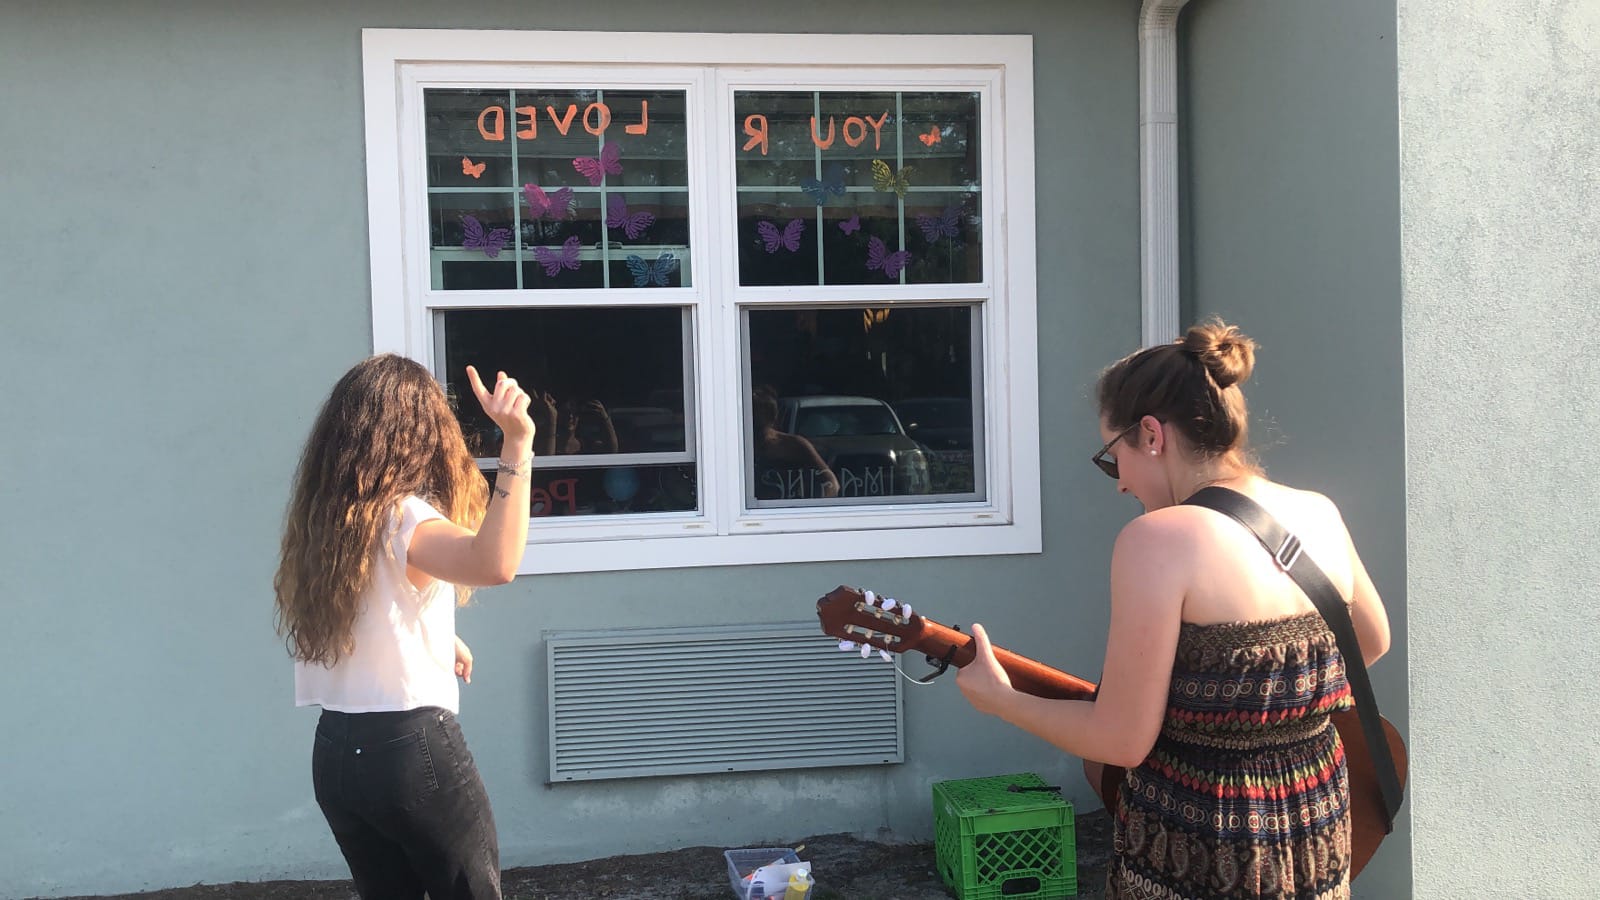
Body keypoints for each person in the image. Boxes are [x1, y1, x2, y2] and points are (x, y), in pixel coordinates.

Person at [955, 320, 1390, 899]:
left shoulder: (1158, 540)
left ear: (1152, 435)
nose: (1119, 485)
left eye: (1114, 458)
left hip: (1201, 844)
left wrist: (1002, 702)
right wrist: (1263, 701)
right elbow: (1370, 640)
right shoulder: (1318, 512)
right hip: (1316, 824)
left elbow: (1122, 740)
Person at [273, 354, 535, 899]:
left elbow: (376, 603)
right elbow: (495, 565)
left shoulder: (332, 521)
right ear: (422, 434)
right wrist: (518, 445)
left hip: (337, 754)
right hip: (410, 750)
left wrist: (438, 633)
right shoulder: (405, 515)